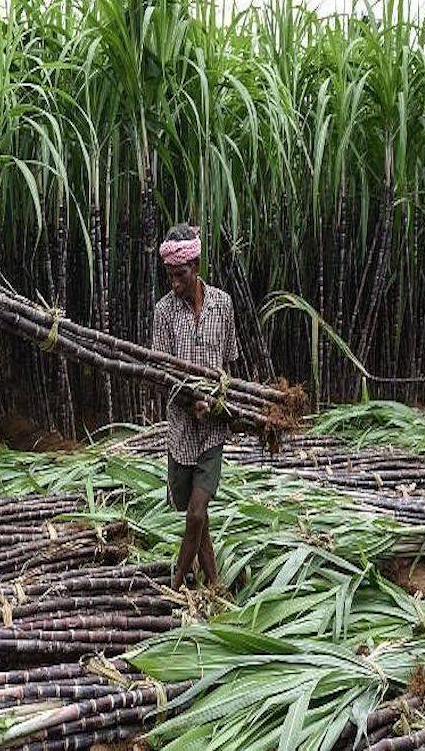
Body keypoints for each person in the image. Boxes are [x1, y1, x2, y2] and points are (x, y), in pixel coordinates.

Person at [152, 223, 239, 591]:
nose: (175, 282)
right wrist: (191, 402)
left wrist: (219, 403)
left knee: (197, 512)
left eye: (181, 274)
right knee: (192, 515)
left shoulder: (223, 304)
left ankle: (175, 585)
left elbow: (229, 363)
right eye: (170, 275)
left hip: (212, 429)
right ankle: (215, 582)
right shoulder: (164, 312)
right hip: (181, 430)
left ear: (197, 267)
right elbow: (162, 373)